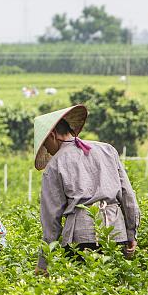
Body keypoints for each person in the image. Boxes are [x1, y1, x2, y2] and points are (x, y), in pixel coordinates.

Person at [33, 105, 140, 274]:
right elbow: (128, 196)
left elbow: (51, 219)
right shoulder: (107, 150)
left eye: (45, 144)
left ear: (52, 135)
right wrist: (131, 233)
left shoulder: (54, 165)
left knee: (83, 290)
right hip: (116, 233)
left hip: (80, 239)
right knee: (112, 290)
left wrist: (43, 263)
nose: (46, 149)